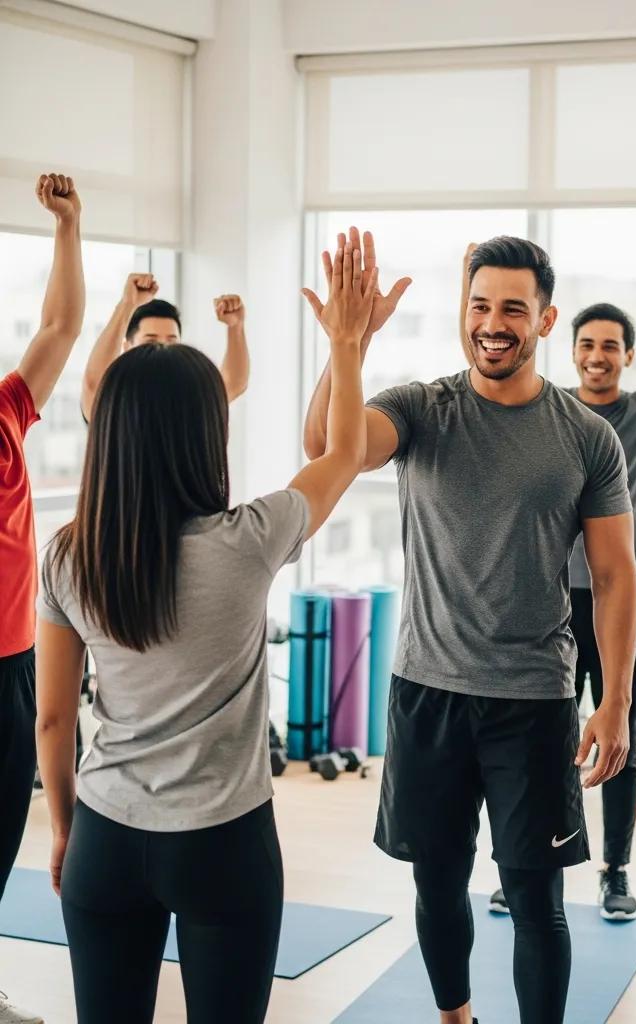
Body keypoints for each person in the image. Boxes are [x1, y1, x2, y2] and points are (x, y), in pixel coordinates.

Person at [35, 238, 377, 1024]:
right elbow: (346, 450)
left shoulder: (68, 557)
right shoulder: (252, 538)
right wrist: (347, 344)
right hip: (224, 844)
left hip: (106, 837)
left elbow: (53, 720)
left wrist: (64, 831)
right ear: (206, 434)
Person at [304, 230, 636, 1024]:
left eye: (513, 309)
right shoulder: (421, 409)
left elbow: (617, 575)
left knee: (534, 893)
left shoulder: (586, 437)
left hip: (533, 699)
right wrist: (346, 346)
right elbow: (327, 449)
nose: (494, 322)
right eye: (480, 304)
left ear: (545, 320)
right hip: (428, 689)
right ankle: (456, 1018)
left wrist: (617, 698)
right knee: (437, 879)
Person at [473, 248, 636, 921]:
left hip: (620, 599)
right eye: (588, 345)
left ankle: (615, 871)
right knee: (543, 739)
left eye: (611, 347)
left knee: (619, 735)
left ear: (628, 356)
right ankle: (528, 858)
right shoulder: (546, 412)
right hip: (546, 602)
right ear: (568, 348)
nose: (598, 356)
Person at [0, 172, 84, 1024]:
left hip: (13, 661)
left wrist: (68, 227)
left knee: (2, 827)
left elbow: (60, 325)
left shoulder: (6, 412)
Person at [80, 275, 249, 421]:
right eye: (150, 342)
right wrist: (127, 305)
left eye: (171, 341)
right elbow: (94, 386)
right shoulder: (120, 400)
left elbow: (232, 384)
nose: (162, 349)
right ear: (127, 347)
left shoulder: (187, 398)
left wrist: (236, 327)